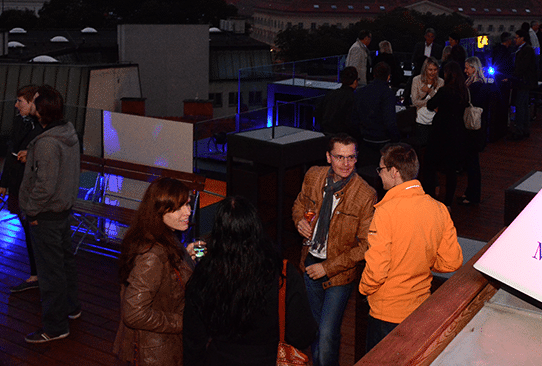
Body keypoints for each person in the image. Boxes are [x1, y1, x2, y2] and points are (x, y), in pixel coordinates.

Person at [183, 196, 316, 366]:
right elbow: (303, 335)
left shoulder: (205, 273)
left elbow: (193, 339)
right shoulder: (282, 273)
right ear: (257, 229)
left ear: (217, 232)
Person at [360, 143, 462, 351]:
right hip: (420, 308)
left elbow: (377, 271)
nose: (379, 174)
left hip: (387, 313)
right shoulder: (438, 209)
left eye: (381, 169)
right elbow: (452, 261)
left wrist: (364, 288)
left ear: (394, 172)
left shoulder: (385, 212)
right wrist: (422, 260)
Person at [291, 134, 376, 366]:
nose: (346, 164)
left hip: (339, 274)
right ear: (328, 157)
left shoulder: (365, 195)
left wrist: (326, 268)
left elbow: (365, 246)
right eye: (340, 157)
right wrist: (299, 220)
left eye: (351, 158)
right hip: (309, 264)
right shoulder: (313, 176)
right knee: (316, 330)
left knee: (327, 334)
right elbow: (299, 204)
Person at [20, 85, 82, 343]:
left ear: (40, 109)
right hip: (63, 210)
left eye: (34, 100)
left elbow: (45, 185)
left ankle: (55, 327)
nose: (29, 103)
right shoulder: (67, 132)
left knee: (50, 273)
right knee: (65, 263)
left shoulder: (46, 143)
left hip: (46, 214)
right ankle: (71, 307)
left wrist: (31, 210)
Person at [114, 178, 195, 365]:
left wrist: (185, 256)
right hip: (155, 352)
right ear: (159, 211)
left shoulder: (160, 236)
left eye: (187, 204)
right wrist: (183, 322)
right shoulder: (151, 255)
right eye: (178, 208)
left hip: (163, 345)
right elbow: (134, 314)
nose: (188, 212)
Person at [0, 84, 44, 293]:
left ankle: (40, 274)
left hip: (32, 186)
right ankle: (36, 273)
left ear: (33, 102)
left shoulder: (42, 126)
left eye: (20, 101)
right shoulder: (20, 122)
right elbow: (11, 152)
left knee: (35, 230)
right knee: (27, 229)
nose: (16, 105)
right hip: (17, 182)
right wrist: (3, 183)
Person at [423, 61, 467, 204]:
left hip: (440, 130)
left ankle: (431, 196)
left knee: (430, 164)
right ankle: (448, 202)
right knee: (451, 170)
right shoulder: (463, 91)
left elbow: (430, 105)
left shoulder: (444, 91)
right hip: (456, 131)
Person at [351, 62, 400, 166]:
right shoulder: (388, 94)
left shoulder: (361, 92)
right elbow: (390, 121)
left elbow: (355, 117)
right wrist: (396, 140)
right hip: (383, 142)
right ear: (388, 77)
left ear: (373, 75)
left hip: (364, 140)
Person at [462, 57, 486, 204]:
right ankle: (470, 193)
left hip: (472, 128)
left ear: (473, 68)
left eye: (467, 68)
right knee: (472, 162)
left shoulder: (474, 86)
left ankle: (473, 195)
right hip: (477, 128)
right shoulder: (480, 84)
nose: (465, 71)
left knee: (472, 162)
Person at [509, 29, 537, 141]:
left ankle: (519, 130)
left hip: (523, 82)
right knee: (524, 105)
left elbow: (522, 67)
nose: (515, 40)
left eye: (517, 37)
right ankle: (524, 129)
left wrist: (512, 76)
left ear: (522, 38)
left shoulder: (526, 50)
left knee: (520, 105)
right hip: (524, 81)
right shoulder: (525, 49)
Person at [315, 67, 358, 136]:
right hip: (344, 136)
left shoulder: (331, 94)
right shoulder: (354, 98)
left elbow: (318, 112)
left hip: (327, 133)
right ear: (355, 81)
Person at [410, 57, 443, 147]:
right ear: (425, 69)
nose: (433, 72)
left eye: (435, 70)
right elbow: (415, 101)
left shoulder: (441, 82)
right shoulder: (417, 80)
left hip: (435, 121)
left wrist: (430, 91)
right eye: (430, 70)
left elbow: (440, 101)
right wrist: (430, 104)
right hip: (420, 120)